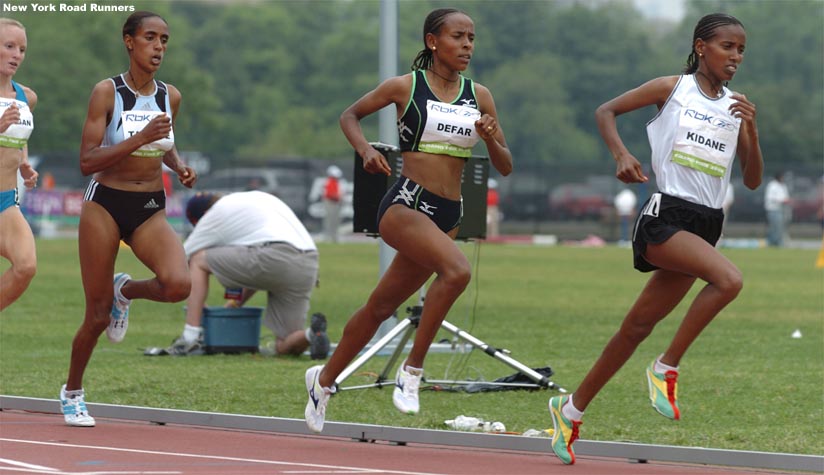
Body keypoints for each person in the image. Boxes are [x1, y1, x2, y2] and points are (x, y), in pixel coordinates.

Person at [547, 13, 763, 465]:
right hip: (666, 217)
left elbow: (754, 180)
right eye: (727, 47)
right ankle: (665, 367)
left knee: (635, 328)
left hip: (707, 223)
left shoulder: (736, 106)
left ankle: (570, 410)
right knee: (729, 280)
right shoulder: (671, 88)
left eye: (741, 50)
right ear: (701, 47)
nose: (735, 57)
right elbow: (605, 111)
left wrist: (752, 129)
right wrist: (621, 154)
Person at [304, 7, 512, 433]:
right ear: (433, 41)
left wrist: (490, 138)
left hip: (449, 213)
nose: (467, 45)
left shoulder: (481, 95)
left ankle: (322, 381)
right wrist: (365, 150)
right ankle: (412, 371)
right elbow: (350, 115)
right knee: (456, 271)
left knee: (381, 305)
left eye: (472, 38)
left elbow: (506, 166)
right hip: (405, 204)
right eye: (458, 37)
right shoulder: (406, 86)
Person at [60, 11, 197, 427]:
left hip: (149, 206)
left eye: (165, 40)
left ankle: (128, 291)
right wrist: (140, 139)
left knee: (179, 285)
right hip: (105, 204)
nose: (159, 47)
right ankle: (72, 392)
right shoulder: (107, 92)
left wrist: (178, 164)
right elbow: (86, 161)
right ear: (129, 41)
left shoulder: (169, 95)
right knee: (97, 316)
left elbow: (165, 140)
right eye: (150, 38)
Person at [152, 190, 329, 359]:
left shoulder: (214, 213)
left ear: (202, 216)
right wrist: (233, 306)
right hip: (308, 263)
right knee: (283, 345)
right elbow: (255, 274)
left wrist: (194, 303)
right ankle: (312, 334)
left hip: (273, 255)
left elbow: (183, 257)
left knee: (198, 260)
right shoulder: (255, 200)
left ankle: (190, 337)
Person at [0, 19, 38, 312]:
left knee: (25, 266)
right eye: (9, 46)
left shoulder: (27, 97)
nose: (17, 55)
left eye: (21, 49)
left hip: (5, 202)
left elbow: (19, 133)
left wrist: (24, 162)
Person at [764, 171, 790, 247]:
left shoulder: (783, 186)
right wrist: (781, 200)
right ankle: (772, 242)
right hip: (772, 209)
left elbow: (786, 196)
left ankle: (777, 242)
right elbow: (770, 197)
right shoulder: (772, 185)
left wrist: (785, 200)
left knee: (780, 226)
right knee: (774, 226)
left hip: (781, 209)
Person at [322, 165, 343, 243]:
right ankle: (328, 237)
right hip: (330, 202)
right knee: (329, 220)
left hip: (335, 203)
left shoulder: (335, 182)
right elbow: (329, 194)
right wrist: (338, 197)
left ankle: (334, 237)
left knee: (335, 220)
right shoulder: (329, 181)